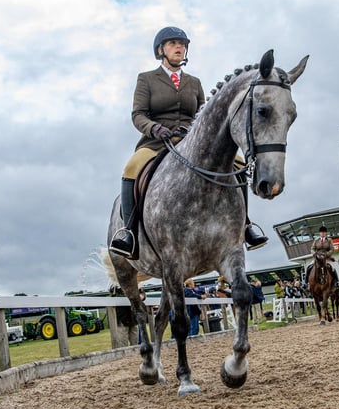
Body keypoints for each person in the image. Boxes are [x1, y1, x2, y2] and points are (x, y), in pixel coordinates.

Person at [109, 26, 267, 259]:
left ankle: (245, 225)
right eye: (173, 43)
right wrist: (154, 128)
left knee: (237, 163)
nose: (179, 47)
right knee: (131, 168)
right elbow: (138, 114)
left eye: (182, 44)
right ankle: (128, 232)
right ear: (160, 50)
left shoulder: (194, 82)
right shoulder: (146, 79)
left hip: (192, 141)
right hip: (157, 142)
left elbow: (205, 113)